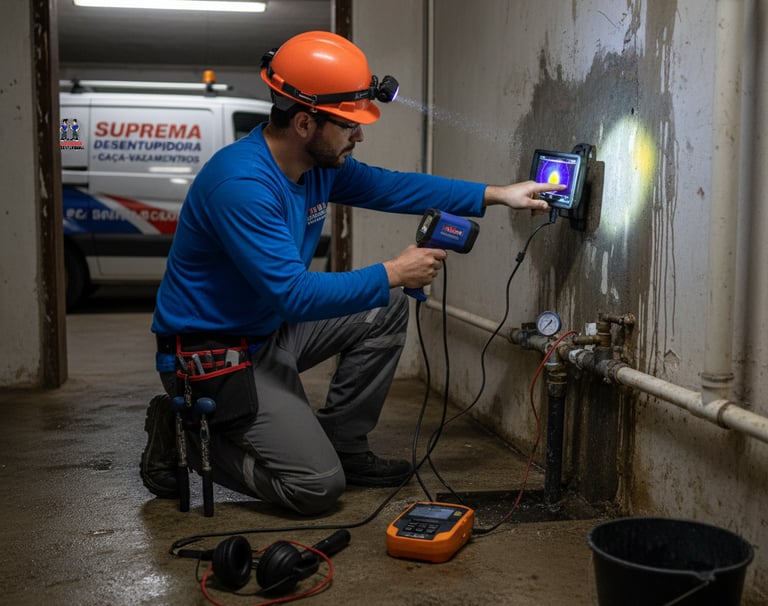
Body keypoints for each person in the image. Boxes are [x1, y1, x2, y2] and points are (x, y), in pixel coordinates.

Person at [141, 31, 560, 516]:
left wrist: (497, 193)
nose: (359, 136)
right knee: (315, 488)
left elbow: (393, 187)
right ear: (304, 123)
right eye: (348, 126)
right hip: (213, 356)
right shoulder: (241, 185)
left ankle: (343, 443)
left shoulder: (317, 165)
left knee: (384, 309)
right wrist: (395, 270)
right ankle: (188, 443)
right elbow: (294, 296)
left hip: (266, 330)